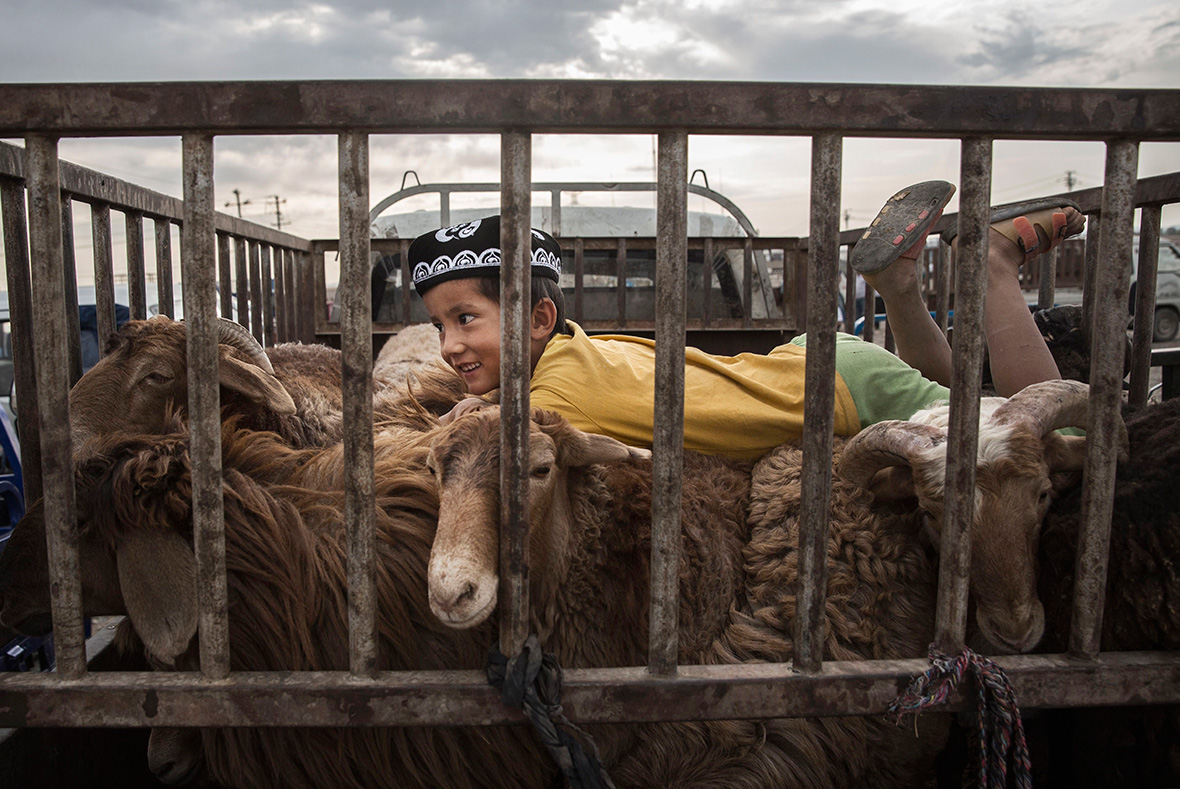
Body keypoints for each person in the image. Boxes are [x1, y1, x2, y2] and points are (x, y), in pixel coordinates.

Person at [411, 182, 1082, 461]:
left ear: (540, 317)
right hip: (816, 364)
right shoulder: (570, 350)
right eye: (439, 326)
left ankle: (991, 263)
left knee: (1060, 443)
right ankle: (898, 287)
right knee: (947, 391)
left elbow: (464, 447)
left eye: (464, 319)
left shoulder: (552, 398)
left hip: (836, 389)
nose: (447, 346)